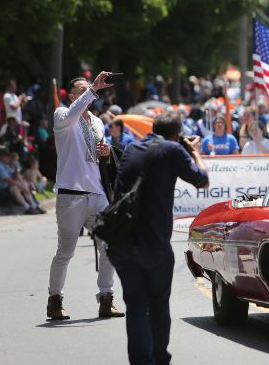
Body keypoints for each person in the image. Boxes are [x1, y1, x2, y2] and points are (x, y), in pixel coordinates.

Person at [109, 111, 209, 365]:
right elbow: (203, 180)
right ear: (176, 135)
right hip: (153, 242)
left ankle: (142, 361)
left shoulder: (132, 148)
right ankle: (160, 359)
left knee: (135, 305)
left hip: (121, 240)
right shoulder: (172, 151)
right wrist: (194, 151)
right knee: (158, 304)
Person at [47, 71, 124, 321]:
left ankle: (106, 298)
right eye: (81, 90)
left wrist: (105, 151)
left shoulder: (97, 121)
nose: (88, 91)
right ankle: (54, 300)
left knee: (109, 245)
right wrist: (93, 88)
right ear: (71, 96)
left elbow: (99, 154)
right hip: (71, 194)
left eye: (88, 89)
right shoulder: (62, 114)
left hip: (96, 192)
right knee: (65, 252)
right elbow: (71, 116)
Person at [0, 147, 43, 214]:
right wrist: (21, 185)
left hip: (7, 187)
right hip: (1, 190)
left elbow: (15, 177)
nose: (8, 158)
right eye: (6, 156)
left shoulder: (4, 165)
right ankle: (27, 207)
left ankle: (34, 206)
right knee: (15, 188)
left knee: (25, 184)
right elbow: (8, 180)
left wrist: (16, 170)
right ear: (1, 157)